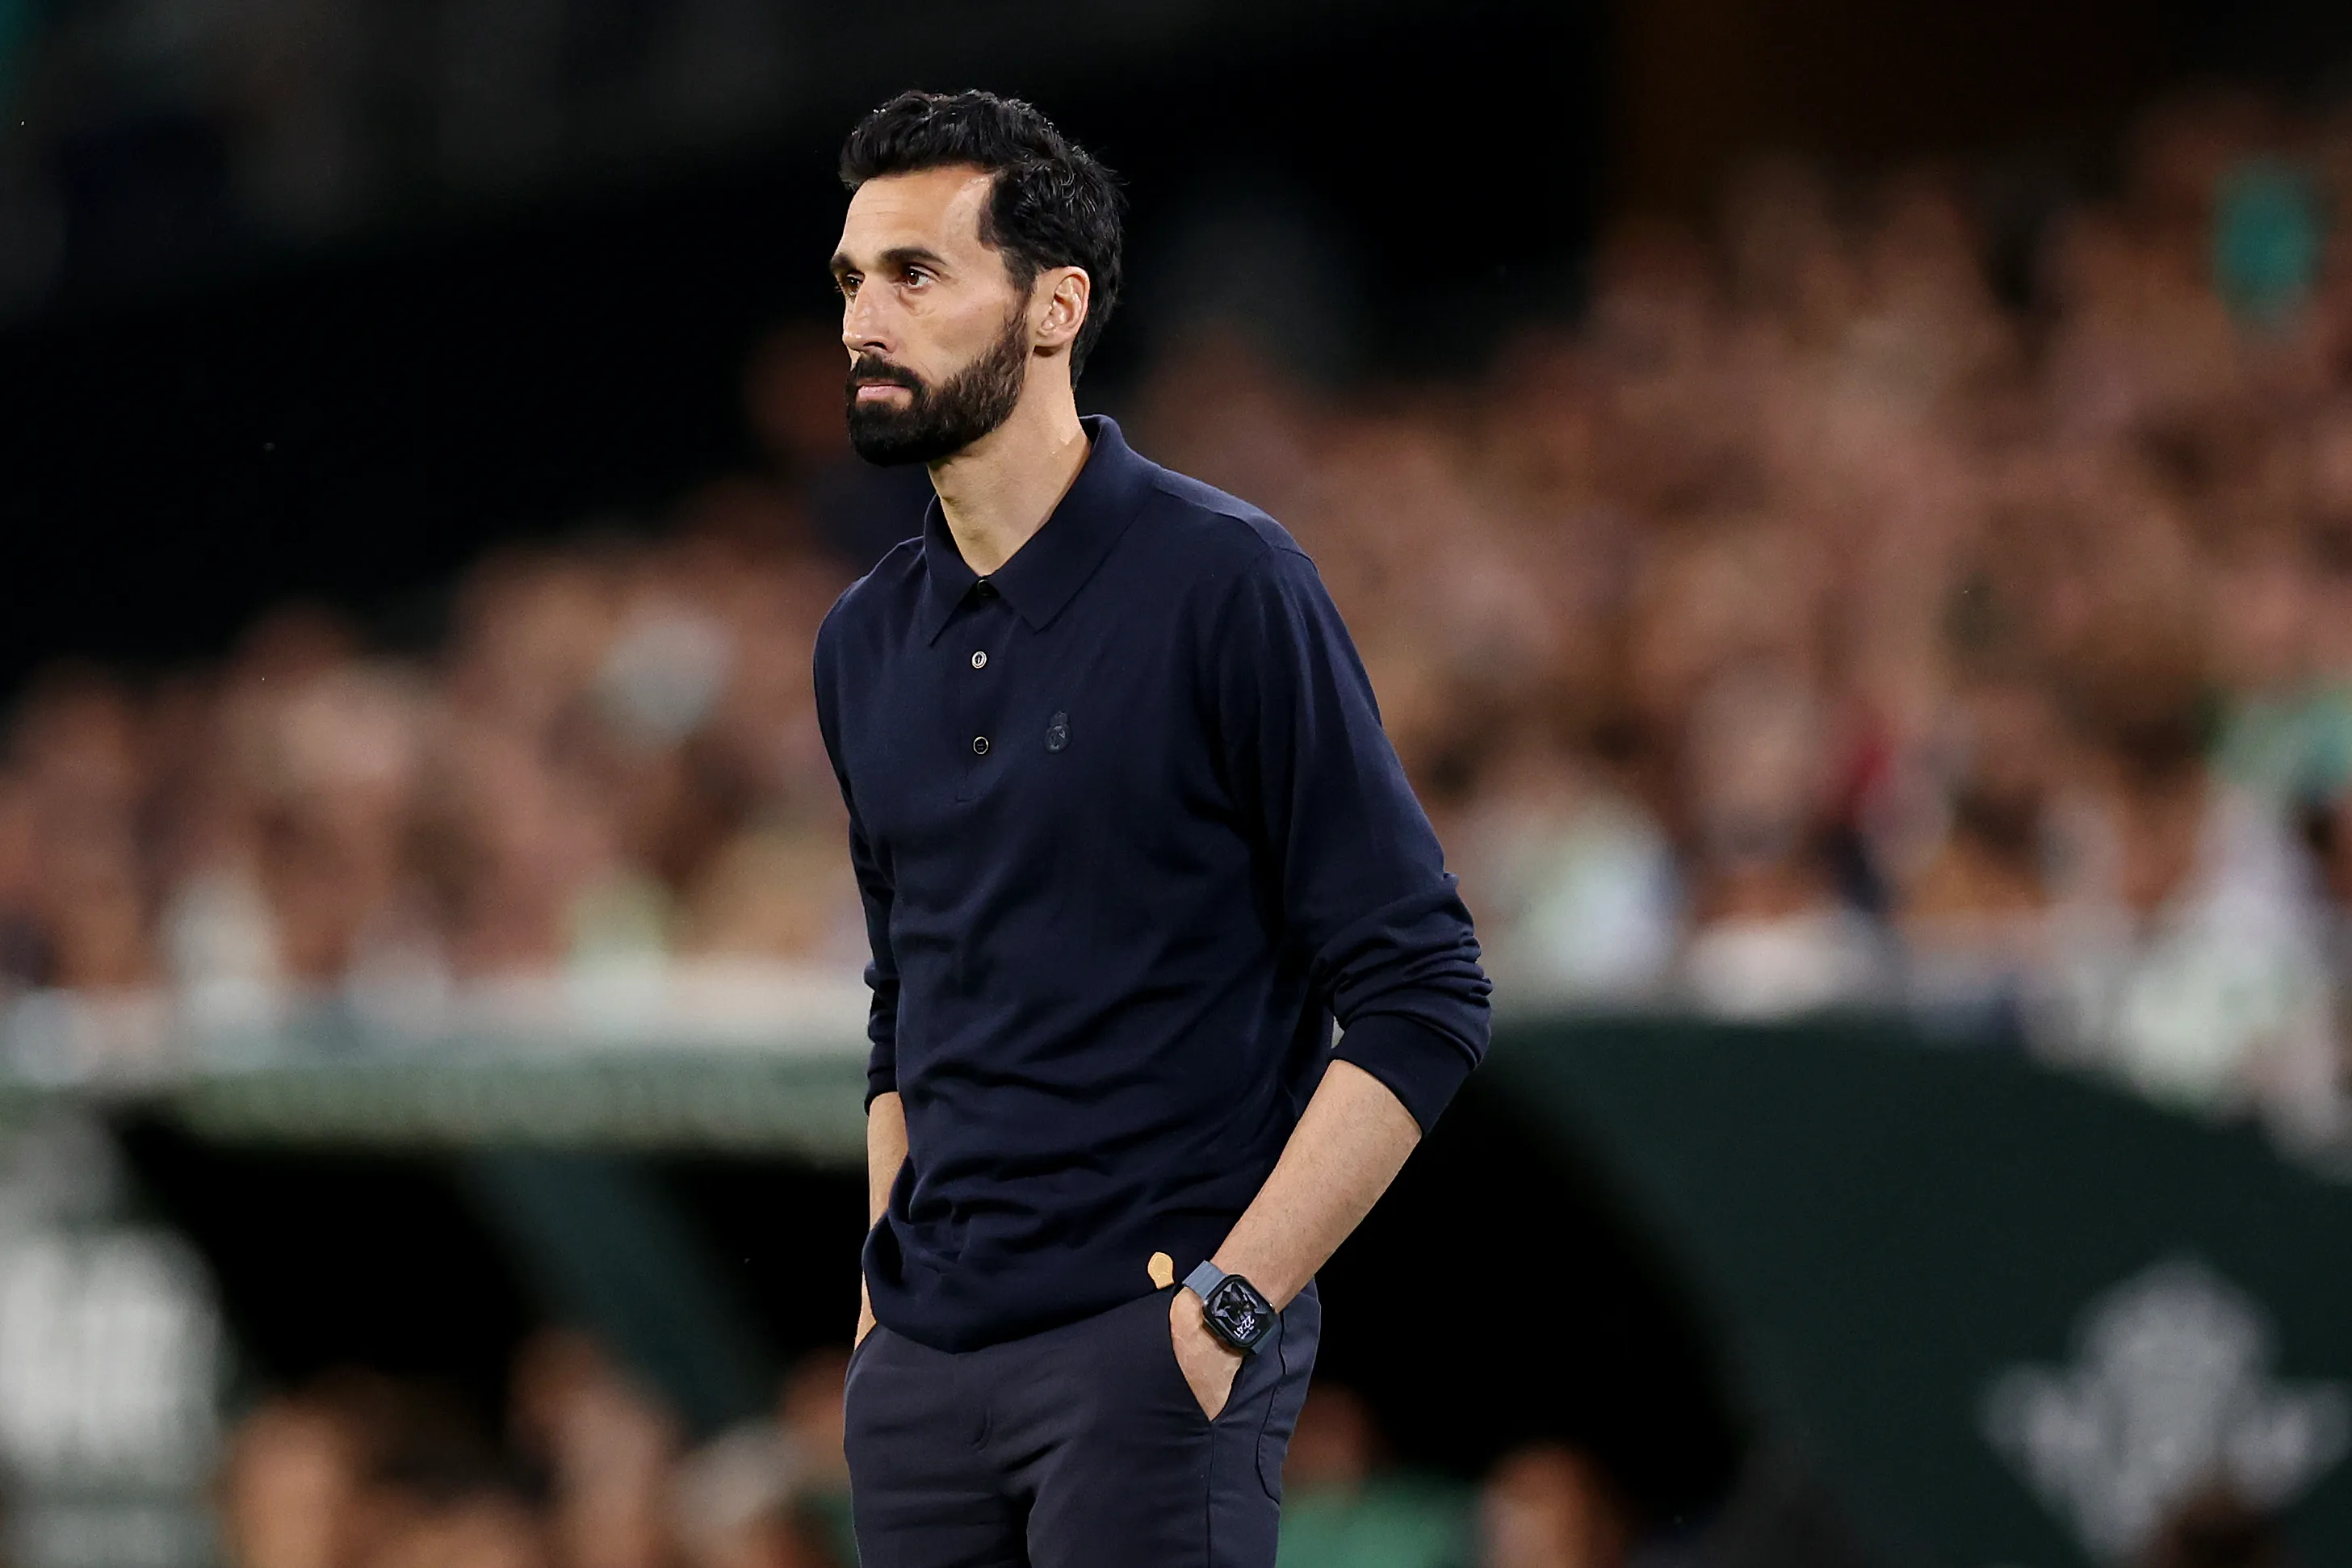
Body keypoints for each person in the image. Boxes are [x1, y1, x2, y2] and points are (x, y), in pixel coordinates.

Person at [811, 90, 1492, 1568]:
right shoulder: (860, 643)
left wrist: (1232, 1309)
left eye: (917, 275)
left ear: (1054, 308)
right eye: (853, 278)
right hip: (924, 1381)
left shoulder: (1226, 584)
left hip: (1149, 1351)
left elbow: (1424, 987)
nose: (867, 315)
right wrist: (881, 1308)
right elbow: (903, 1003)